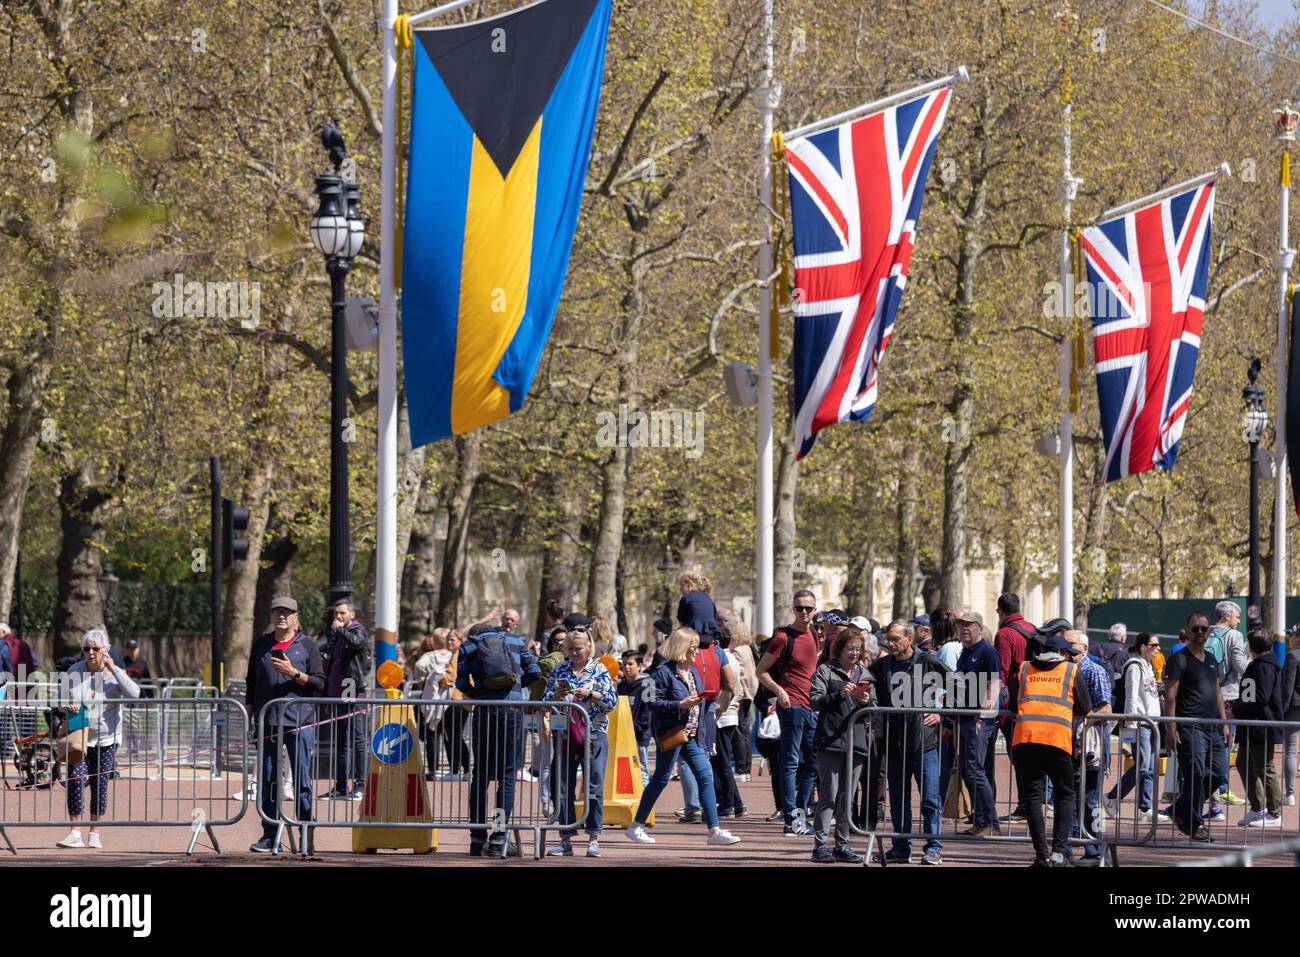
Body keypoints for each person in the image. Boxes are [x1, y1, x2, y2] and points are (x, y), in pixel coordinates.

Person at [624, 627, 740, 847]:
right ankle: (636, 826)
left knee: (705, 777)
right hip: (673, 734)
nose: (696, 653)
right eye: (692, 648)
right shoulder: (662, 672)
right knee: (660, 778)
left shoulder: (693, 672)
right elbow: (651, 702)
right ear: (681, 648)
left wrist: (702, 701)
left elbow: (694, 699)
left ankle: (714, 830)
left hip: (693, 735)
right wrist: (681, 704)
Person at [245, 597, 325, 853]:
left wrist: (294, 673)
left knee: (301, 779)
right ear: (271, 615)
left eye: (287, 612)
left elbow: (319, 683)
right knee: (268, 779)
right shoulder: (261, 645)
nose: (281, 616)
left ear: (295, 617)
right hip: (268, 721)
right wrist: (250, 715)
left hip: (299, 722)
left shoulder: (308, 646)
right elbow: (251, 682)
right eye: (277, 611)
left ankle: (304, 833)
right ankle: (270, 835)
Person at [456, 620, 541, 858]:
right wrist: (514, 686)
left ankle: (476, 839)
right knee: (506, 777)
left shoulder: (468, 646)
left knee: (480, 774)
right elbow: (535, 672)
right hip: (513, 710)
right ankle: (499, 838)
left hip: (485, 712)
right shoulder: (516, 641)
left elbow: (461, 682)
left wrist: (481, 694)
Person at [1010, 633, 1094, 866]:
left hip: (1026, 739)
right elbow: (1085, 707)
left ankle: (1041, 855)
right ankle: (1058, 852)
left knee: (1034, 798)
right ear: (1063, 654)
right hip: (1057, 740)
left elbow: (1013, 704)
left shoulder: (1024, 668)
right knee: (1065, 794)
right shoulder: (1070, 670)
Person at [870, 619, 948, 864]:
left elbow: (958, 686)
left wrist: (942, 713)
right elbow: (869, 694)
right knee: (899, 800)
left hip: (924, 744)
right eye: (888, 639)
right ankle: (901, 846)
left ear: (909, 639)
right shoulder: (881, 666)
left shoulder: (929, 662)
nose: (890, 643)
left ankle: (933, 846)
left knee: (930, 799)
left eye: (895, 639)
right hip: (894, 745)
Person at [55, 628, 141, 849]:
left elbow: (134, 694)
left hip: (106, 740)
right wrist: (67, 706)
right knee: (74, 780)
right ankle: (75, 832)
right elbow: (58, 700)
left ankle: (95, 832)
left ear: (105, 650)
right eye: (86, 649)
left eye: (95, 648)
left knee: (99, 785)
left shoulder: (114, 673)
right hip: (79, 738)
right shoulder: (74, 671)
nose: (90, 652)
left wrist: (114, 668)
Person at [542, 627, 617, 857]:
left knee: (594, 785)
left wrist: (589, 693)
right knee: (563, 786)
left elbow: (611, 701)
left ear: (588, 648)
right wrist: (556, 695)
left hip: (593, 733)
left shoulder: (599, 669)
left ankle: (594, 838)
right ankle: (566, 838)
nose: (574, 653)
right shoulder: (559, 669)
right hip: (564, 733)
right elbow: (544, 700)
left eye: (578, 649)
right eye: (570, 649)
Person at [755, 589, 821, 835]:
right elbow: (760, 671)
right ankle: (791, 819)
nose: (804, 612)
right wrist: (779, 690)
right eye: (799, 608)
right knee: (791, 762)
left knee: (811, 763)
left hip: (811, 707)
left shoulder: (815, 634)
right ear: (793, 609)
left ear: (815, 610)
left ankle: (800, 815)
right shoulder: (783, 637)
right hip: (790, 706)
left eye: (809, 608)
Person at [1163, 610, 1229, 842]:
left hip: (1213, 727)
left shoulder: (1211, 659)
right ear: (1187, 631)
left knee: (1219, 773)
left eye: (1204, 628)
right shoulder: (1178, 659)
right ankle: (1194, 823)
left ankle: (1180, 809)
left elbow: (1218, 692)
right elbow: (1169, 697)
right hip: (1189, 727)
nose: (1200, 632)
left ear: (1209, 631)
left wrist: (1224, 723)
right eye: (1195, 628)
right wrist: (1171, 727)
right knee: (1195, 773)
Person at [808, 627, 871, 863]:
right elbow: (814, 701)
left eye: (858, 648)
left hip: (856, 743)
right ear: (840, 649)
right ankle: (820, 845)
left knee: (848, 798)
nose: (854, 653)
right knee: (829, 795)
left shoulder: (865, 673)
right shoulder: (826, 670)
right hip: (830, 740)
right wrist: (839, 695)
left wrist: (867, 701)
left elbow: (873, 711)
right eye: (850, 648)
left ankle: (842, 845)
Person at [1104, 632, 1167, 822]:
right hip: (1140, 723)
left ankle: (1145, 808)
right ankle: (1113, 797)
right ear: (1143, 647)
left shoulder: (1148, 666)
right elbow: (1131, 696)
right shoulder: (1134, 667)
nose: (1158, 648)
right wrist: (1131, 724)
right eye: (1154, 645)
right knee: (1142, 766)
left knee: (1150, 767)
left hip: (1151, 723)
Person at [318, 599, 373, 802]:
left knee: (357, 739)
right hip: (336, 693)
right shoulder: (338, 635)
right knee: (340, 742)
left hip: (352, 691)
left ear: (352, 614)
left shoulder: (357, 630)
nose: (338, 617)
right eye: (335, 614)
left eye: (342, 613)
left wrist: (340, 630)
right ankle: (341, 786)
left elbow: (358, 643)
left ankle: (360, 785)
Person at [1065, 629, 1111, 864]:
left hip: (1090, 747)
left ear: (1084, 647)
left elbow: (1105, 709)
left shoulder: (1093, 670)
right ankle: (1075, 847)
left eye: (1071, 644)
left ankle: (1095, 849)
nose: (1066, 649)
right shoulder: (1064, 670)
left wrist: (1081, 722)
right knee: (1072, 798)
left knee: (1090, 800)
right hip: (1070, 745)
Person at [954, 609, 1002, 836]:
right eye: (961, 625)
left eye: (969, 625)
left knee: (974, 769)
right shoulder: (965, 652)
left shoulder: (987, 652)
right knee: (967, 769)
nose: (964, 628)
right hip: (964, 717)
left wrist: (983, 715)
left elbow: (994, 685)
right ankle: (981, 819)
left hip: (978, 719)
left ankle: (991, 821)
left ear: (979, 629)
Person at [1234, 627, 1284, 827]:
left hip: (1261, 724)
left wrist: (1238, 708)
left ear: (1253, 645)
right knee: (1243, 763)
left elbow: (1260, 696)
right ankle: (1257, 807)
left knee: (1265, 767)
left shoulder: (1264, 666)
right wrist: (1237, 705)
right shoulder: (1258, 664)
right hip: (1251, 724)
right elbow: (1251, 693)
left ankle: (1275, 812)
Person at [993, 593, 1035, 823]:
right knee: (1031, 758)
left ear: (1000, 611)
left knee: (1018, 757)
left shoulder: (1005, 634)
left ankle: (1025, 806)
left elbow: (1002, 671)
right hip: (1035, 701)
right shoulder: (1032, 629)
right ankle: (1032, 803)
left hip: (1014, 705)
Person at [1206, 601, 1248, 809]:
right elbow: (1240, 666)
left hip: (1206, 696)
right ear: (1227, 617)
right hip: (1228, 695)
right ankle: (1222, 788)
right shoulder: (1235, 636)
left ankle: (1213, 794)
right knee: (1224, 744)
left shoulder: (1206, 633)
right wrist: (1251, 662)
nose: (1239, 621)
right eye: (1237, 617)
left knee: (1209, 745)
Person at [416, 630, 453, 778]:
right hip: (449, 698)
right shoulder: (453, 656)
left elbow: (419, 665)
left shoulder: (430, 656)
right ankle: (453, 769)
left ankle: (433, 770)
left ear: (435, 641)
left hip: (432, 699)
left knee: (432, 735)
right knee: (450, 734)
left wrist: (424, 680)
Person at [619, 651, 653, 785]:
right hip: (622, 736)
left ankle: (646, 803)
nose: (626, 667)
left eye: (630, 664)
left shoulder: (648, 684)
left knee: (641, 769)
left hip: (639, 735)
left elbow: (648, 712)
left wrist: (637, 729)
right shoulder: (622, 686)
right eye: (624, 664)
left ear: (639, 666)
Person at [1282, 628, 1300, 805]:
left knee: (1291, 750)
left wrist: (1283, 709)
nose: (1289, 637)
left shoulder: (1292, 656)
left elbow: (1288, 687)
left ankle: (1290, 793)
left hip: (1294, 707)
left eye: (1292, 634)